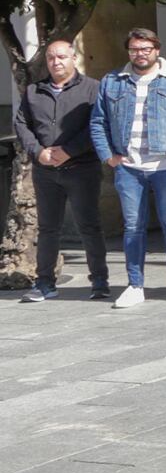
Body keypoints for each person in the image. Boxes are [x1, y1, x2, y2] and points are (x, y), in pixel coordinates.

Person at [90, 27, 166, 308]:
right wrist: (108, 156)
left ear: (157, 50)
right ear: (129, 51)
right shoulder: (112, 81)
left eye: (145, 49)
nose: (140, 54)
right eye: (134, 49)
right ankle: (135, 284)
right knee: (133, 226)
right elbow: (97, 122)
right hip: (129, 166)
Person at [19, 38, 108, 301]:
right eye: (50, 58)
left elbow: (98, 125)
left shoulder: (93, 89)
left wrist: (70, 150)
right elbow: (22, 124)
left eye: (61, 57)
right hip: (45, 170)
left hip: (81, 168)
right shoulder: (34, 91)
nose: (56, 62)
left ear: (73, 58)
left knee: (89, 226)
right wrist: (39, 152)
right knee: (48, 228)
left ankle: (99, 282)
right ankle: (44, 282)